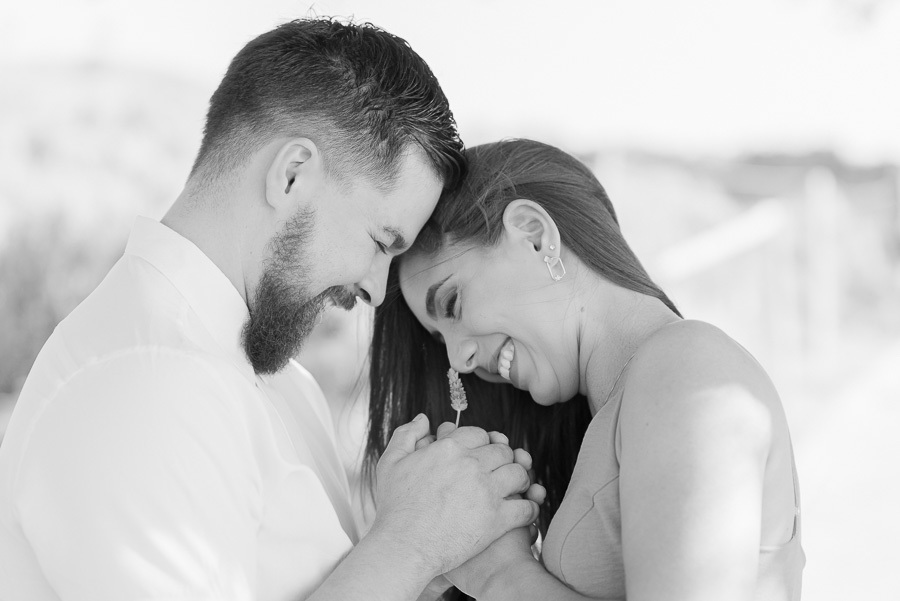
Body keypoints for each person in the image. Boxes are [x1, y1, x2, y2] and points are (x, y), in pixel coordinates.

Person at [0, 20, 543, 601]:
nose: (377, 290)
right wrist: (409, 544)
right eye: (381, 243)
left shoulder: (281, 383)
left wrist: (436, 550)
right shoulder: (144, 383)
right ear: (291, 176)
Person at [367, 139, 805, 600]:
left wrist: (500, 574)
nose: (458, 361)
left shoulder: (687, 370)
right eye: (440, 341)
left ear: (534, 235)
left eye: (452, 304)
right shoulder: (623, 406)